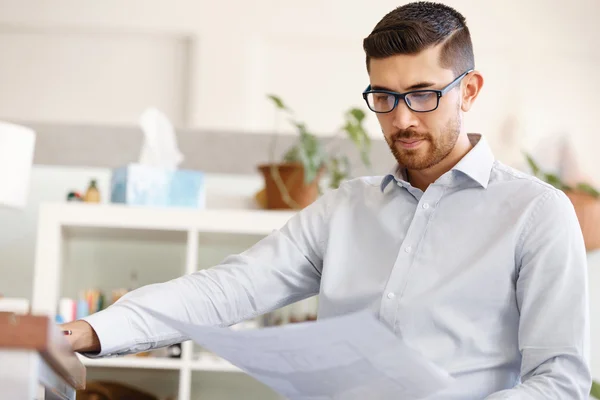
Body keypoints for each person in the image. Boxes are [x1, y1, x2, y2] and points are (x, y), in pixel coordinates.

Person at [62, 2, 591, 398]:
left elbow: (560, 379)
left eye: (423, 95)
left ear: (469, 91)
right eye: (383, 98)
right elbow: (228, 289)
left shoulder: (536, 213)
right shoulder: (346, 209)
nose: (402, 119)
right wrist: (93, 328)